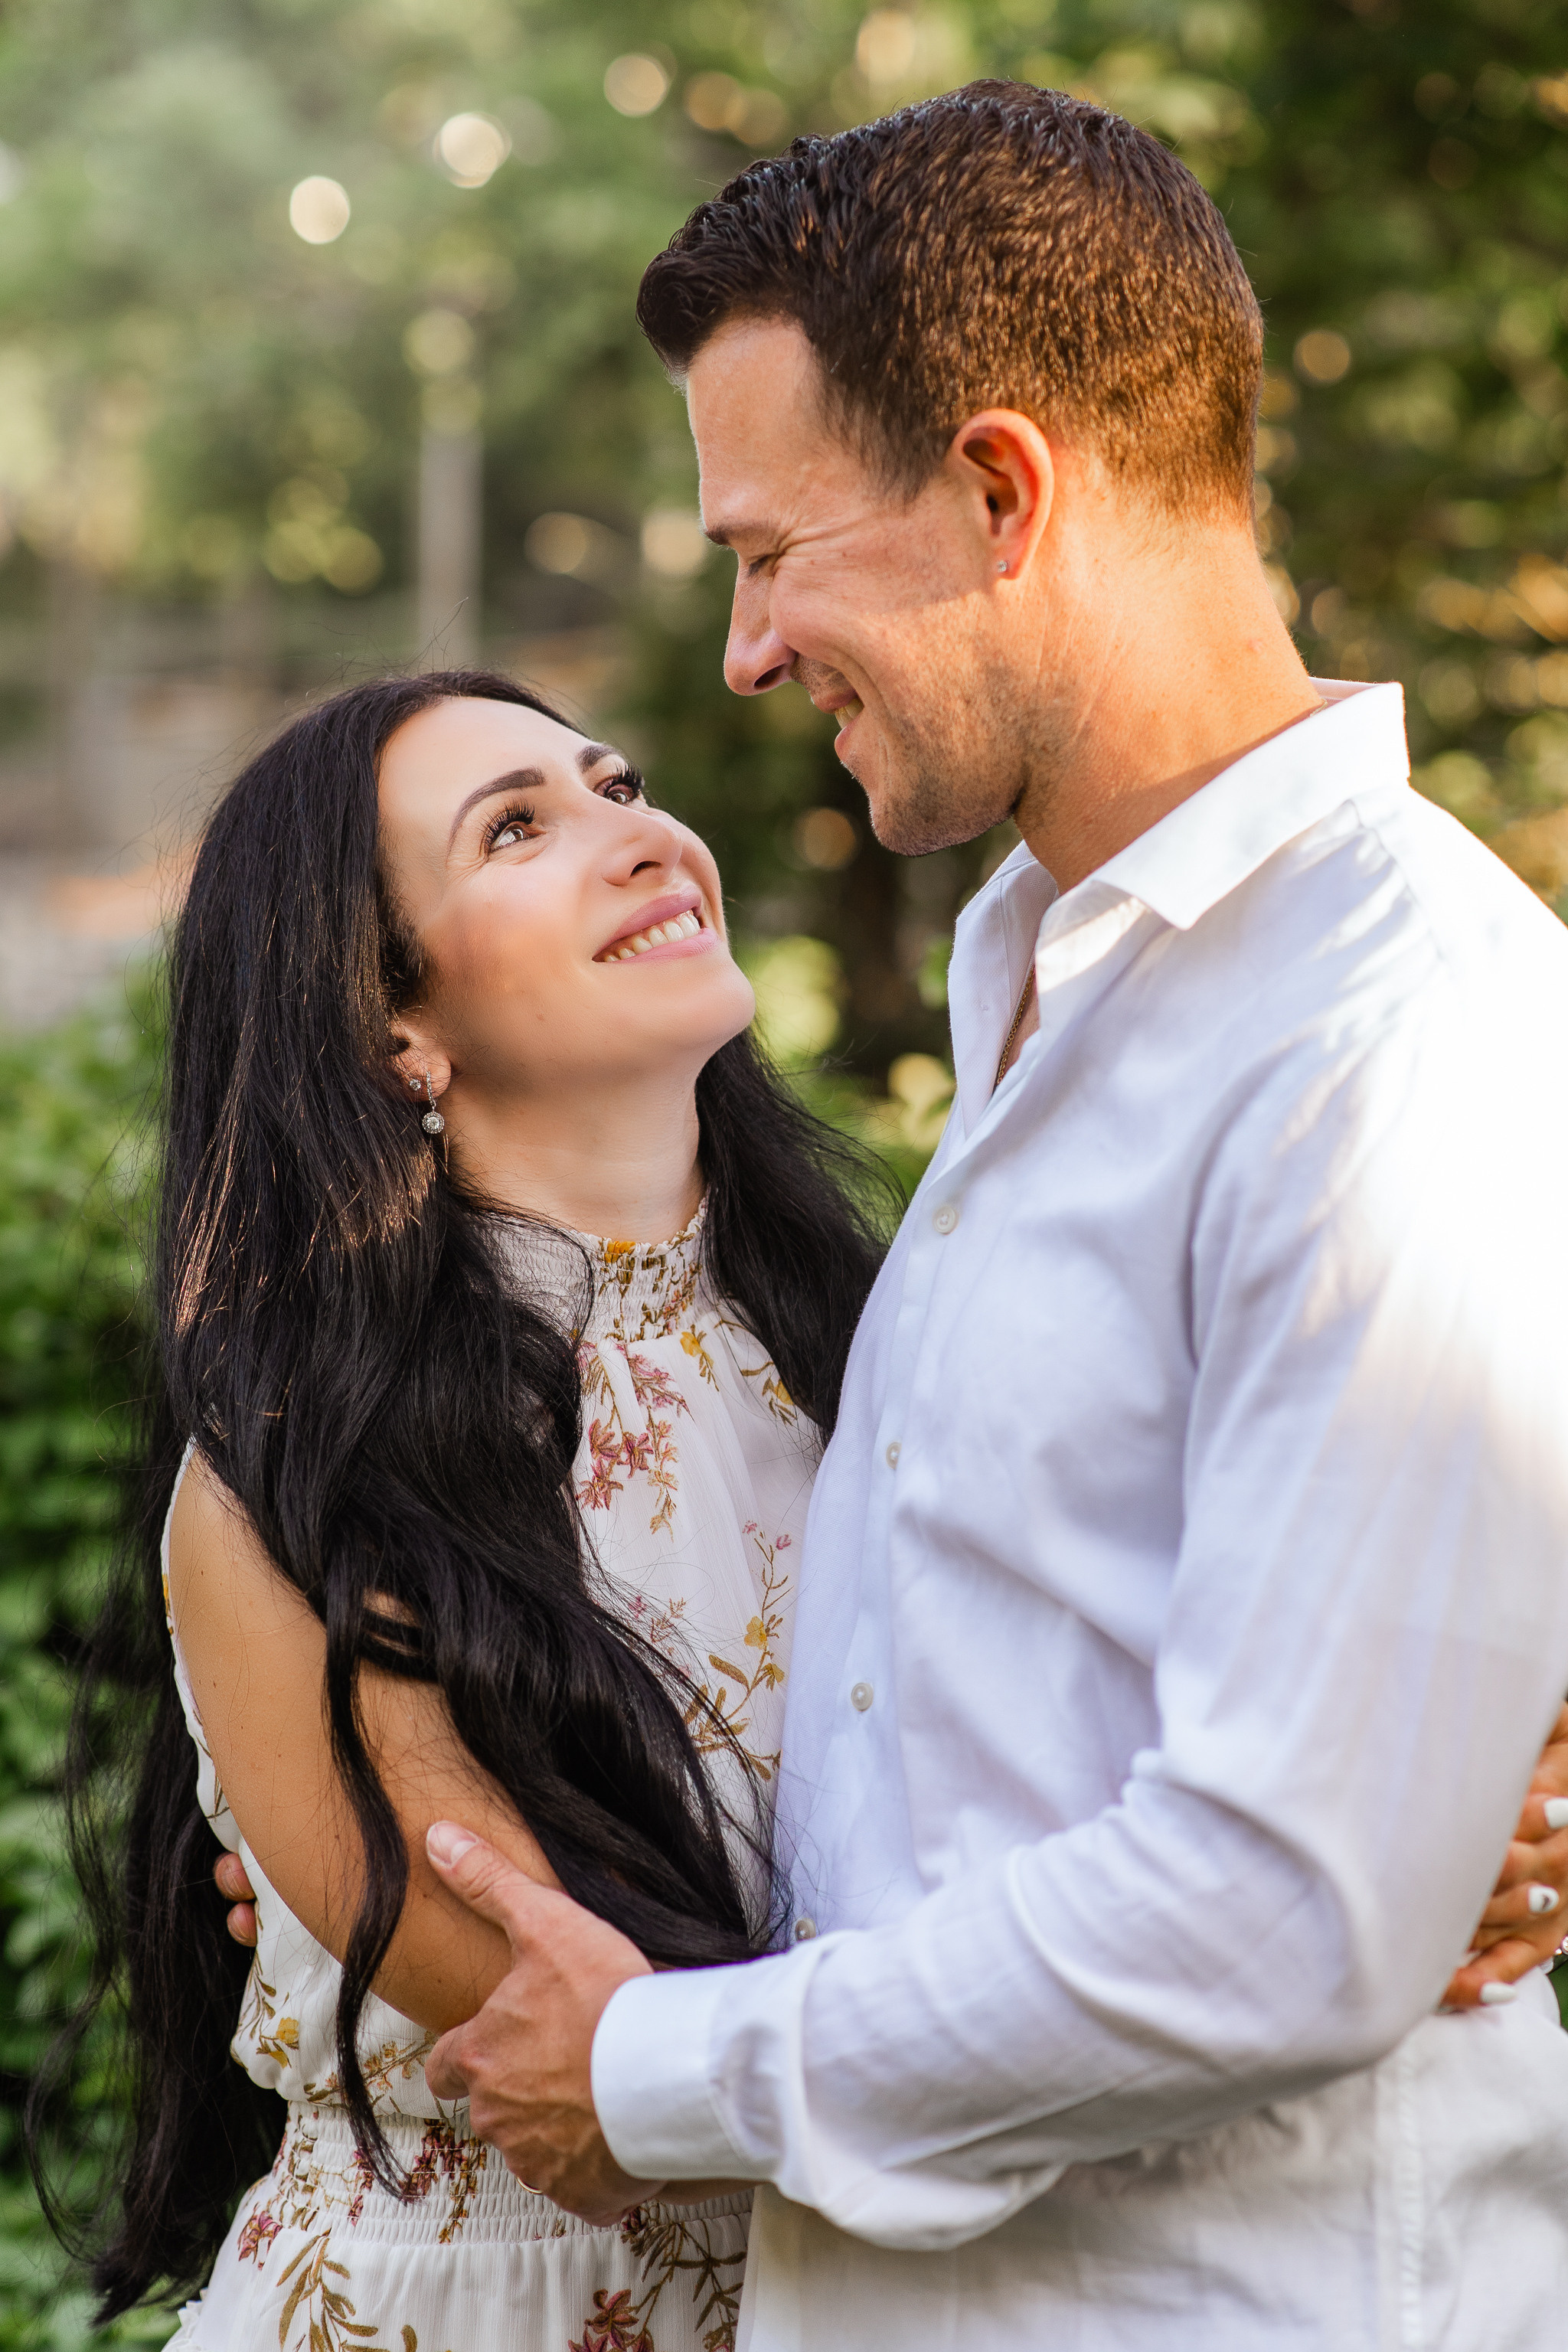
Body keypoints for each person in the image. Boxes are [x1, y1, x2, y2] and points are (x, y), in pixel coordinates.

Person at [410, 85, 1568, 2348]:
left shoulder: (1394, 1033)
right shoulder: (1049, 974)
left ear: (1003, 492)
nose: (744, 649)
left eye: (772, 551)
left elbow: (1281, 1920)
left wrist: (657, 2072)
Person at [44, 670, 886, 2352]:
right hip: (482, 2303)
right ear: (390, 1029)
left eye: (617, 785)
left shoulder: (883, 1340)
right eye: (515, 829)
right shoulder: (307, 1460)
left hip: (894, 2284)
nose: (639, 835)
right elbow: (562, 2011)